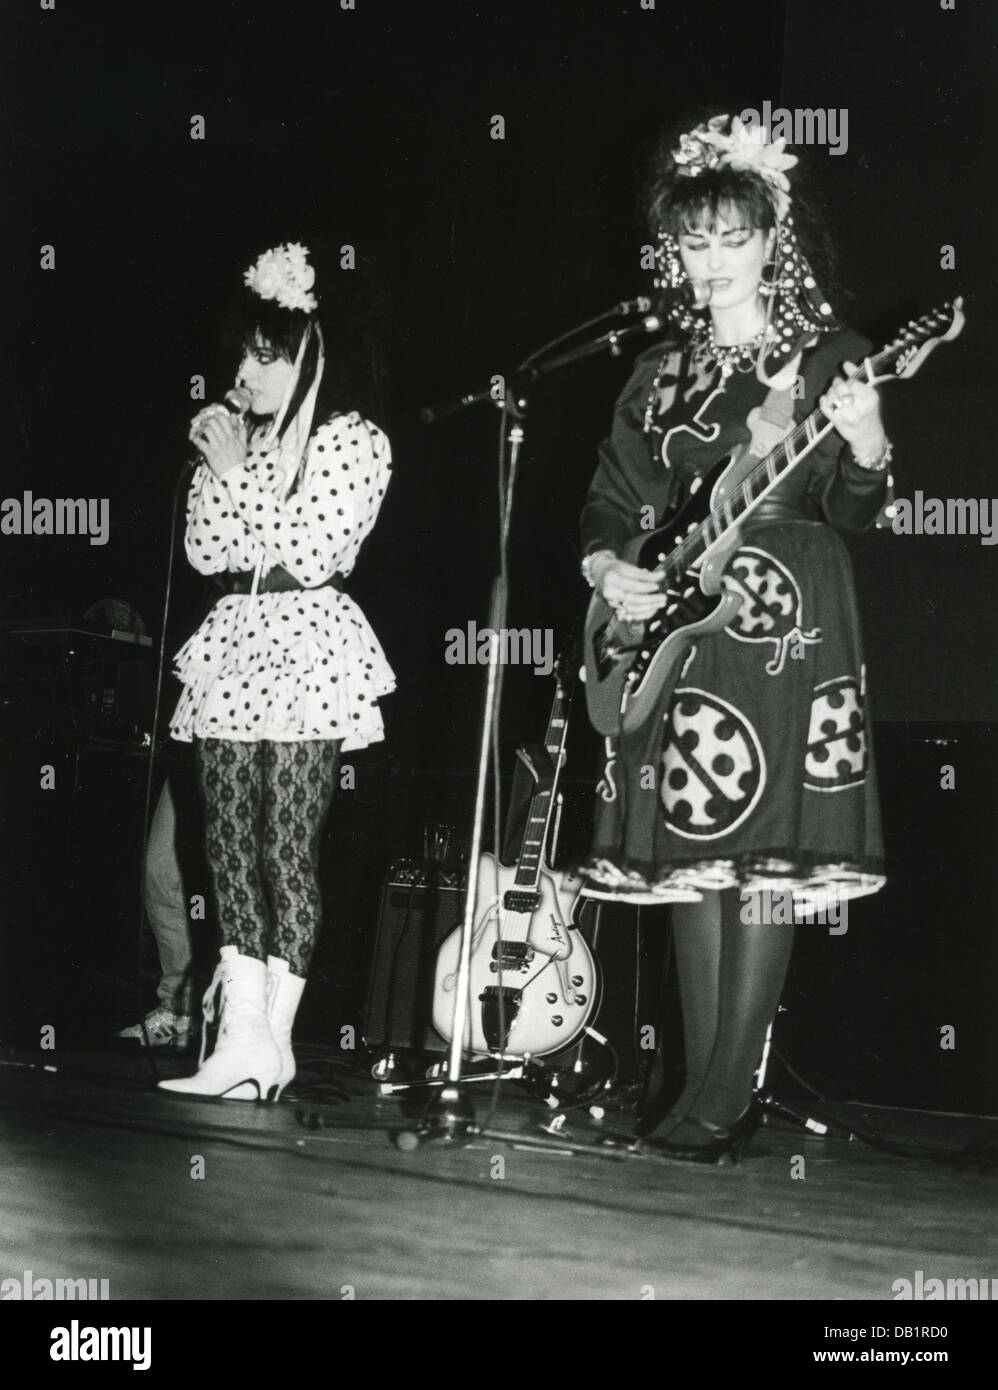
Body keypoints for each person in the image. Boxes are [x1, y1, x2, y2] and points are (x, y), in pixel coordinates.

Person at [579, 114, 893, 1162]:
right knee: (689, 847)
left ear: (772, 241)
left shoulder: (828, 357)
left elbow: (853, 511)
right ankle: (697, 1089)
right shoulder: (656, 370)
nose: (709, 262)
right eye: (692, 242)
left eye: (730, 239)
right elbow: (608, 502)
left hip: (783, 616)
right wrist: (607, 567)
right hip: (673, 620)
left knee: (763, 850)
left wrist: (864, 442)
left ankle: (725, 1090)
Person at [159, 242, 395, 1100]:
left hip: (307, 639)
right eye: (242, 356)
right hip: (235, 633)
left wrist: (234, 478)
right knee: (225, 848)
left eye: (265, 357)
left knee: (284, 847)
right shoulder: (240, 443)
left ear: (309, 361)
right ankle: (243, 1040)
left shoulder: (353, 440)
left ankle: (274, 1041)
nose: (244, 374)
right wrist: (222, 470)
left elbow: (311, 547)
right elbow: (207, 548)